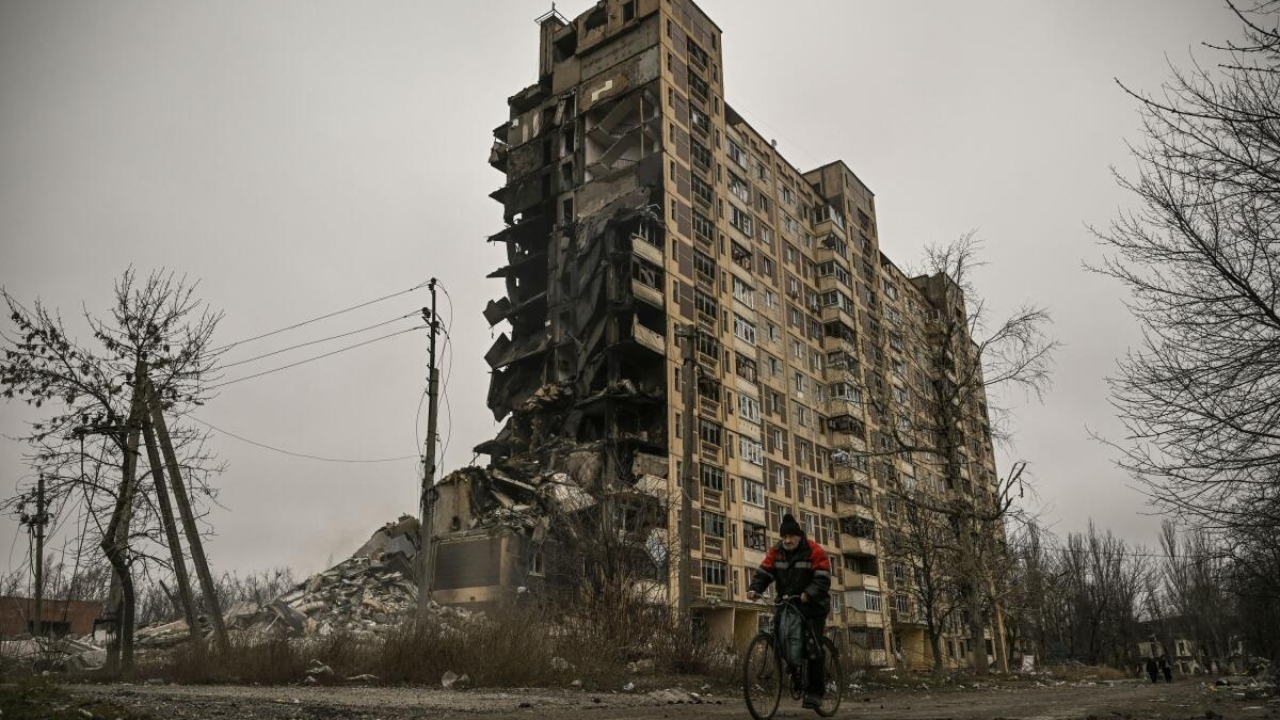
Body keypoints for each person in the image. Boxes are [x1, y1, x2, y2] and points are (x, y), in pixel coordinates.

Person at [746, 513, 832, 710]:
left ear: (799, 536)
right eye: (784, 537)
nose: (787, 540)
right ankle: (792, 666)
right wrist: (755, 589)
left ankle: (815, 692)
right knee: (780, 635)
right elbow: (764, 572)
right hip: (787, 603)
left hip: (813, 606)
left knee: (812, 647)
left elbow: (823, 577)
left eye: (791, 536)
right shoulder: (776, 552)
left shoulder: (814, 551)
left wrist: (808, 594)